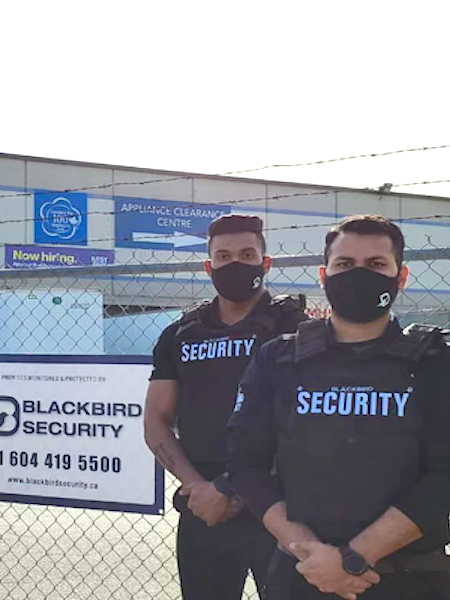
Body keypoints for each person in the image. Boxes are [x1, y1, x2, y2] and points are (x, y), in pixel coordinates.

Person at [226, 215, 450, 600]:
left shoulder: (439, 362)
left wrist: (353, 558)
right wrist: (313, 557)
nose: (359, 275)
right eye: (345, 264)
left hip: (408, 580)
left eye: (376, 264)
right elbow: (245, 463)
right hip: (302, 575)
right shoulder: (279, 358)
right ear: (324, 275)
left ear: (400, 278)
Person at [143, 214, 307, 600]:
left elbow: (305, 421)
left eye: (248, 254)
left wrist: (230, 488)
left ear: (265, 264)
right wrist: (198, 487)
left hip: (281, 508)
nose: (236, 263)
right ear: (208, 266)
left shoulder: (297, 329)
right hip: (205, 510)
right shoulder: (181, 334)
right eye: (224, 255)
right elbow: (156, 420)